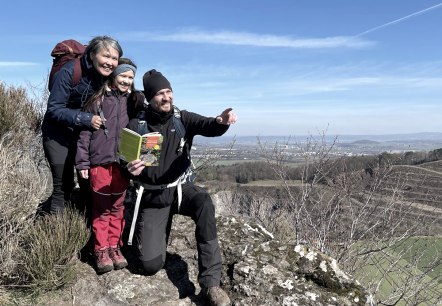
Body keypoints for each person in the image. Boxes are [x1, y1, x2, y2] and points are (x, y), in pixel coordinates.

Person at [126, 69, 237, 306]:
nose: (166, 97)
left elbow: (208, 125)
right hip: (152, 195)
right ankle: (158, 227)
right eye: (160, 94)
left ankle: (211, 284)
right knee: (150, 265)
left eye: (169, 91)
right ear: (149, 97)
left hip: (180, 189)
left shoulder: (181, 118)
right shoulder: (138, 124)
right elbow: (123, 156)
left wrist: (221, 121)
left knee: (204, 201)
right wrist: (129, 167)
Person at [42, 36, 123, 215]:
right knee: (62, 185)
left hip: (83, 135)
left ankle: (88, 229)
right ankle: (57, 233)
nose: (110, 62)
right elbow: (54, 109)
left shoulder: (108, 77)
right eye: (106, 56)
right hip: (57, 133)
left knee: (89, 184)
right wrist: (86, 119)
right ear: (93, 55)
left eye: (114, 58)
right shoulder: (71, 71)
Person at [75, 58, 136, 273]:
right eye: (123, 76)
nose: (127, 81)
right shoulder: (97, 100)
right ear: (113, 75)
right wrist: (82, 162)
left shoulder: (132, 102)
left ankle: (114, 247)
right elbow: (84, 134)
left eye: (130, 78)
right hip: (99, 163)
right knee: (101, 208)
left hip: (121, 165)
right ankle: (101, 250)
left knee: (117, 208)